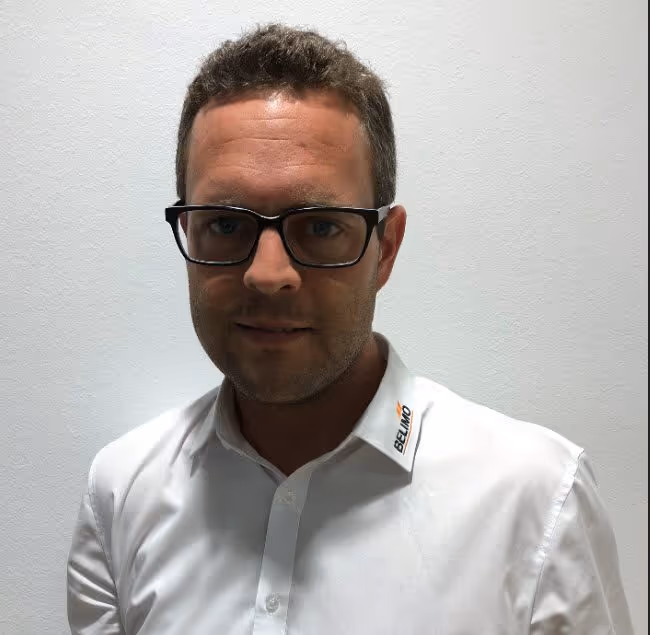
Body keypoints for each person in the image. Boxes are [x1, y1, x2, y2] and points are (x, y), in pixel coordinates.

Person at [66, 24, 634, 635]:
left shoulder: (537, 501)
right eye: (225, 224)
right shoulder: (121, 496)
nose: (268, 275)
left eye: (320, 226)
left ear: (385, 248)